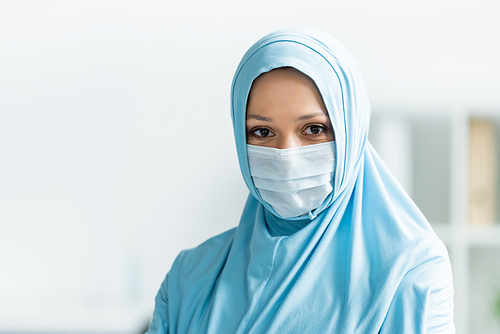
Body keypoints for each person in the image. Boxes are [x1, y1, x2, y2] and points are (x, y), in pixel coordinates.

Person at [146, 28, 455, 333]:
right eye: (263, 132)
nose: (287, 156)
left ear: (350, 130)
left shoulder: (409, 274)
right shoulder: (190, 278)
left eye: (313, 129)